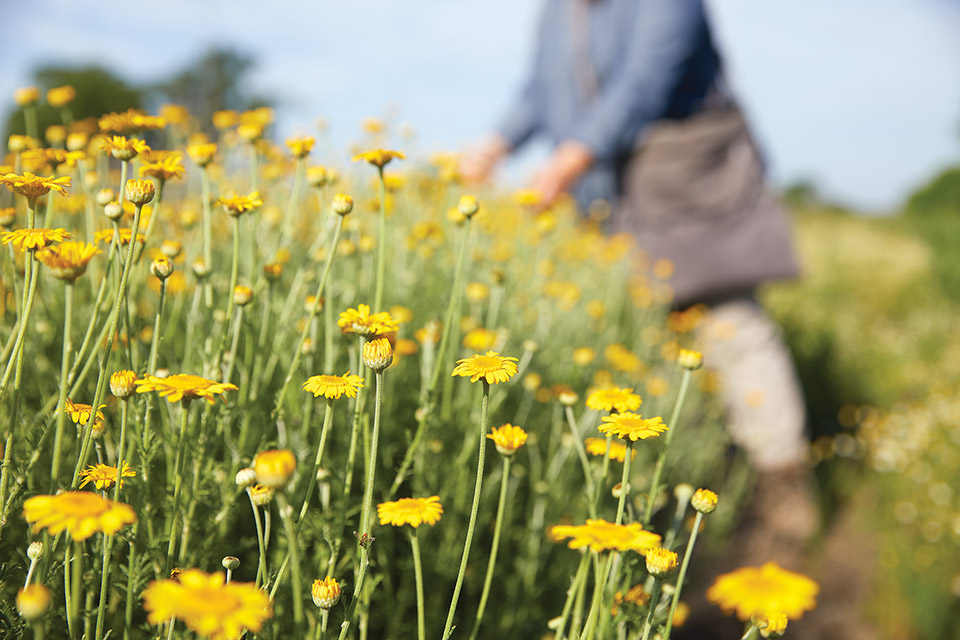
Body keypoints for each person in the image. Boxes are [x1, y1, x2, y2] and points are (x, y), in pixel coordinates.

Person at [461, 0, 817, 574]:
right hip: (610, 189)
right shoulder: (559, 11)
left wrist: (563, 164)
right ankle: (693, 483)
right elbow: (540, 89)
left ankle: (782, 490)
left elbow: (643, 84)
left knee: (730, 324)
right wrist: (495, 145)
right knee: (641, 339)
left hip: (688, 182)